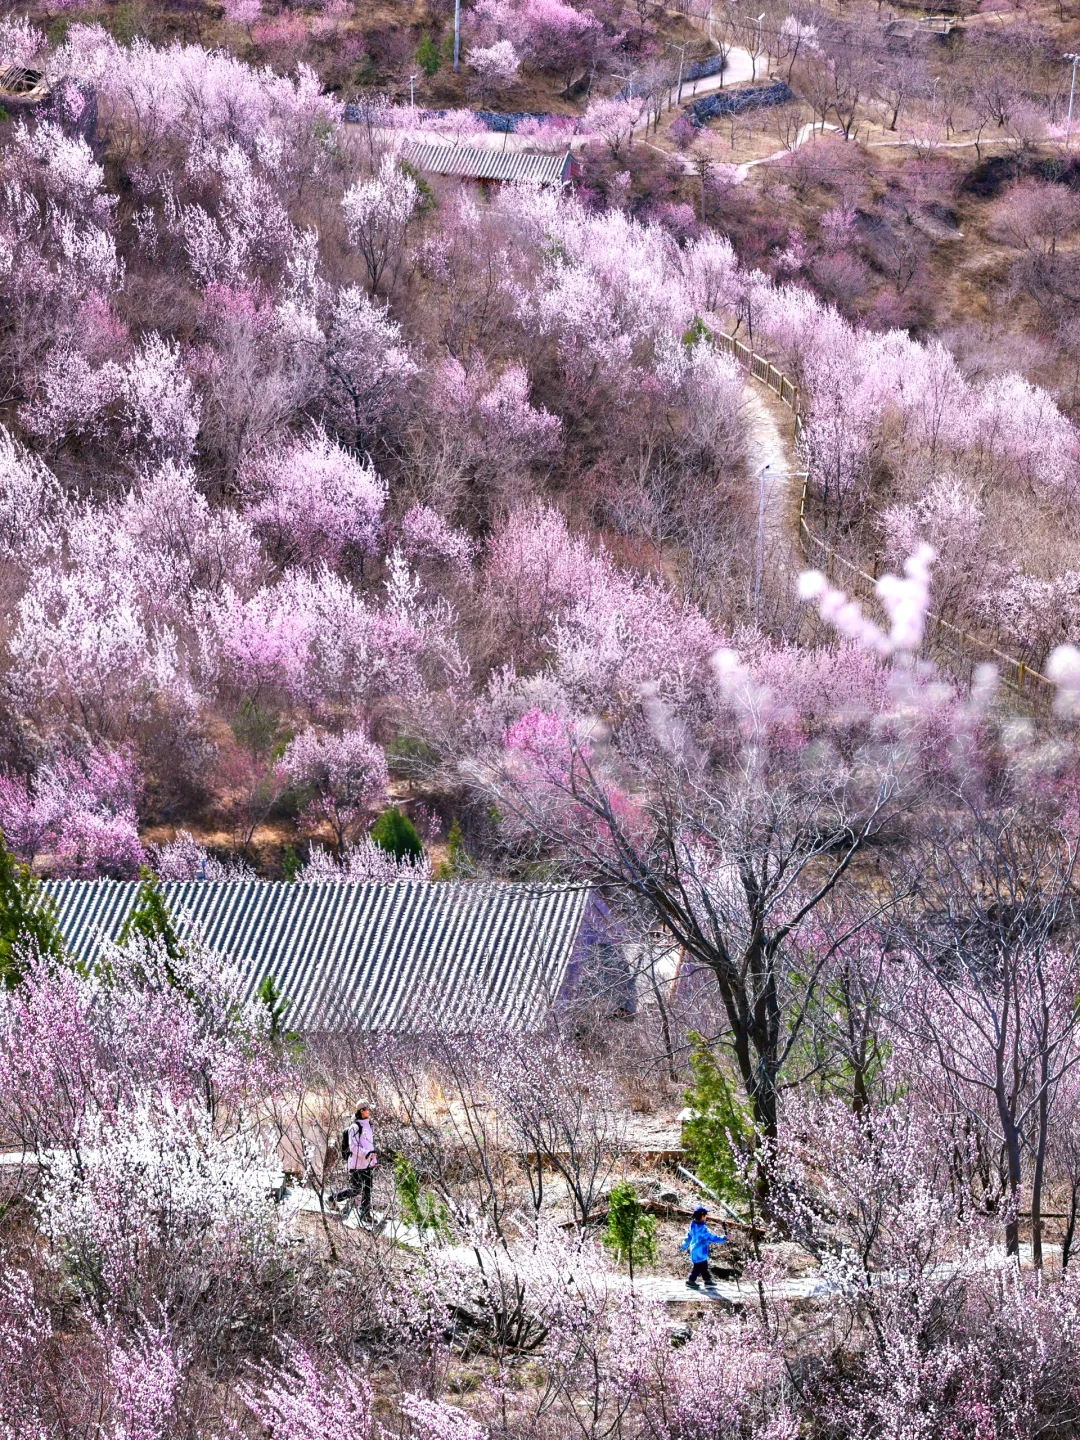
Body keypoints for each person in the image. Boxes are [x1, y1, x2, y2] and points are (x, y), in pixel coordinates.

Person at [330, 1105, 377, 1220]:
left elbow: (370, 1145)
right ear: (362, 1111)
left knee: (367, 1189)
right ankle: (333, 1199)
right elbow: (353, 1147)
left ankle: (365, 1214)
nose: (370, 1111)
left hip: (368, 1163)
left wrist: (373, 1159)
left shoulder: (369, 1126)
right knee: (356, 1189)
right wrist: (367, 1154)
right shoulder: (355, 1127)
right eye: (368, 1109)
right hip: (357, 1164)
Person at [680, 1206, 728, 1288]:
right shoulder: (702, 1229)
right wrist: (723, 1238)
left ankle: (707, 1281)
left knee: (704, 1267)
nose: (706, 1217)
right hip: (700, 1252)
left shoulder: (693, 1226)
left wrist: (683, 1246)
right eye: (706, 1215)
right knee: (698, 1268)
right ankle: (690, 1281)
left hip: (695, 1251)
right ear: (702, 1216)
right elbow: (711, 1237)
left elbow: (688, 1237)